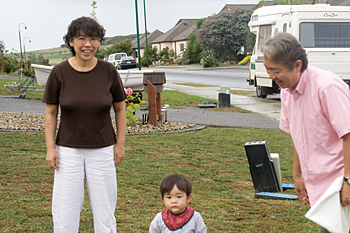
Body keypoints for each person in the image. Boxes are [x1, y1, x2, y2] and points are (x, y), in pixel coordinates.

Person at [43, 17, 126, 232]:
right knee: (65, 210)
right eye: (81, 38)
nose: (87, 44)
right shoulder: (59, 72)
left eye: (93, 39)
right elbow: (51, 113)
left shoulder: (109, 71)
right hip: (67, 152)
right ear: (71, 41)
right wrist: (50, 148)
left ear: (99, 42)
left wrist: (120, 144)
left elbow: (120, 109)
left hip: (103, 149)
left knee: (105, 211)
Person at [262, 32, 350, 232]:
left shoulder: (327, 86)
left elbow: (348, 134)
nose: (271, 77)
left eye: (275, 70)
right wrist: (298, 175)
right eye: (268, 70)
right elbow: (297, 135)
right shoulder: (286, 91)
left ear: (298, 65)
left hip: (341, 179)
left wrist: (348, 181)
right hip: (324, 184)